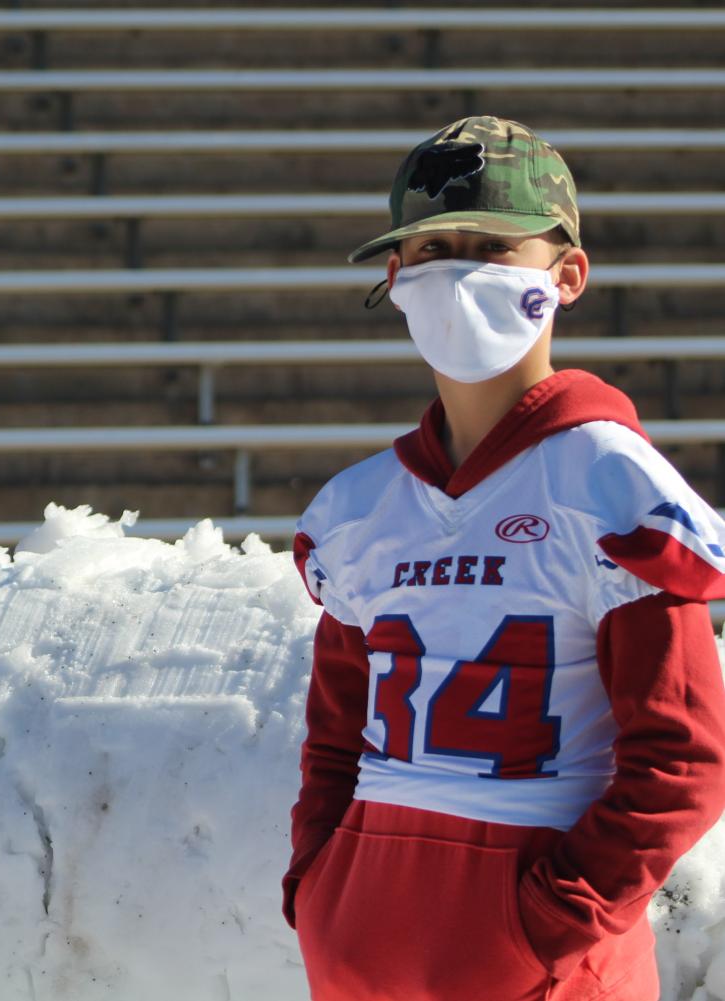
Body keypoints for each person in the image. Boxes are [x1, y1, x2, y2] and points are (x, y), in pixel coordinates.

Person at [282, 116, 725, 1000]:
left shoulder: (609, 484)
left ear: (565, 275)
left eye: (487, 243)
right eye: (432, 245)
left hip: (531, 940)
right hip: (361, 935)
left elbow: (681, 756)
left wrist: (553, 918)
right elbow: (335, 736)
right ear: (394, 277)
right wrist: (319, 884)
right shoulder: (360, 508)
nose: (455, 267)